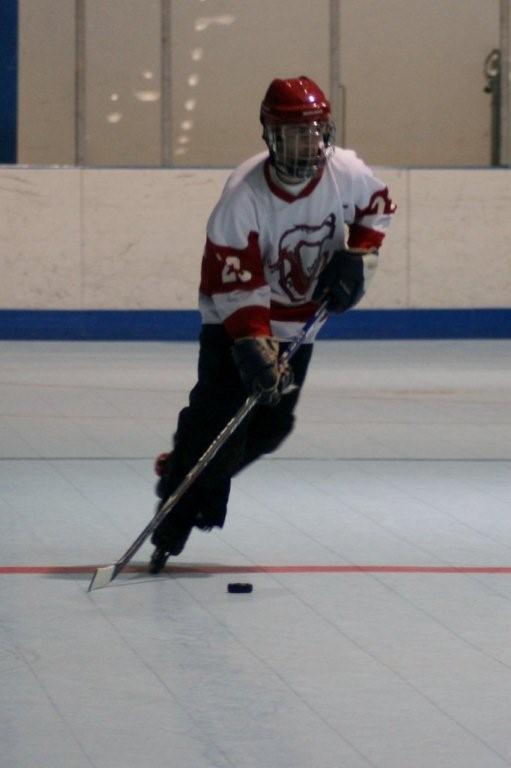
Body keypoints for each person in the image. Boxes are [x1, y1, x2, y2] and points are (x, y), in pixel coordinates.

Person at [149, 75, 395, 573]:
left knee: (273, 424)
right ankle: (173, 511)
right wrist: (253, 346)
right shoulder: (243, 196)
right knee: (218, 416)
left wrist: (359, 258)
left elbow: (376, 209)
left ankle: (195, 471)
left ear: (326, 131)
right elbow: (237, 284)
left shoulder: (345, 172)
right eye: (292, 135)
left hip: (301, 322)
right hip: (232, 322)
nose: (305, 146)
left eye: (313, 133)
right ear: (269, 136)